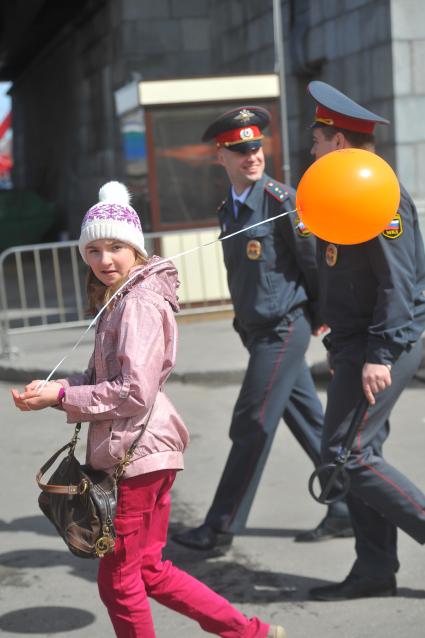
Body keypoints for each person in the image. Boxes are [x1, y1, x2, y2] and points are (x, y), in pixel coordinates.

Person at [11, 181, 286, 638]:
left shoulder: (135, 302)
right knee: (150, 571)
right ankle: (252, 632)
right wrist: (55, 387)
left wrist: (61, 398)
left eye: (116, 247)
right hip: (145, 452)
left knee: (119, 583)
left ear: (136, 249)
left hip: (135, 456)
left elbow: (132, 391)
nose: (104, 261)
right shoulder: (121, 298)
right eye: (94, 250)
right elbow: (103, 380)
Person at [173, 106, 352, 552]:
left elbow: (312, 262)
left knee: (251, 423)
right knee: (312, 423)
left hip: (284, 327)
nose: (252, 156)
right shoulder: (229, 209)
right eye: (240, 150)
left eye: (256, 147)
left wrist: (319, 316)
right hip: (258, 331)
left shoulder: (280, 200)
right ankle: (347, 506)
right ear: (222, 156)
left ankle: (220, 526)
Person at [306, 81, 425, 601]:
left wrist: (379, 355)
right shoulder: (344, 186)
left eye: (316, 139)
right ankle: (375, 568)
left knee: (348, 455)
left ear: (336, 142)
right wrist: (340, 347)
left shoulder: (378, 191)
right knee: (356, 454)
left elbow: (399, 282)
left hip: (386, 342)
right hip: (355, 343)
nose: (310, 149)